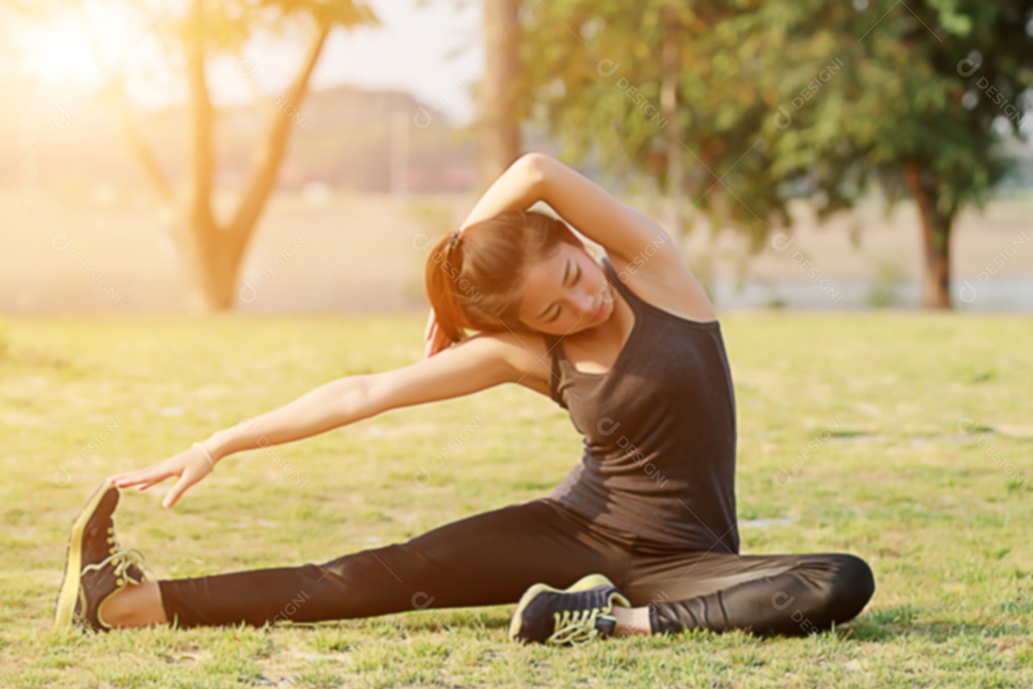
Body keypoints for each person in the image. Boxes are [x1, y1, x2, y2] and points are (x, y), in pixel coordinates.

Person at [54, 153, 875, 646]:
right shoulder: (528, 354)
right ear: (527, 326)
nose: (581, 304)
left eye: (573, 277)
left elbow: (536, 172)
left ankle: (604, 624)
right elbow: (367, 392)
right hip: (574, 532)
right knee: (375, 575)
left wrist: (451, 283)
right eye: (552, 312)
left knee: (840, 580)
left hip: (690, 563)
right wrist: (218, 444)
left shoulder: (652, 270)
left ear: (576, 241)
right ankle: (124, 605)